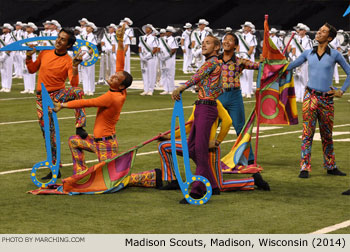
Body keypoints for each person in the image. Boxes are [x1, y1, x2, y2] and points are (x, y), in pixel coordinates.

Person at [53, 25, 133, 175]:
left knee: (111, 178)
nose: (113, 75)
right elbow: (120, 64)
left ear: (120, 84)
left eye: (116, 77)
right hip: (97, 141)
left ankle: (151, 177)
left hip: (105, 145)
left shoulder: (112, 97)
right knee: (73, 141)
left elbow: (86, 102)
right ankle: (80, 173)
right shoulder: (121, 89)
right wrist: (120, 40)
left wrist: (63, 105)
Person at [157, 99, 270, 194]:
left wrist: (217, 141)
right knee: (164, 145)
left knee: (218, 186)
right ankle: (172, 180)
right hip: (193, 144)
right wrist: (169, 137)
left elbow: (227, 121)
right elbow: (190, 126)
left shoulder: (214, 103)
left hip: (209, 149)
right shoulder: (198, 103)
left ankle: (253, 181)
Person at [286, 23, 350, 178]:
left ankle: (331, 166)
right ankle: (304, 167)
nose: (319, 33)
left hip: (327, 99)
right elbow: (290, 66)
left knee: (327, 135)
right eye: (319, 30)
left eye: (323, 32)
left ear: (329, 38)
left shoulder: (335, 54)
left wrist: (341, 90)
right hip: (310, 97)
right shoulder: (308, 53)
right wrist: (271, 62)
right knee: (307, 133)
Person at [26, 28, 88, 179]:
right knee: (49, 134)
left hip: (57, 95)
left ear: (68, 45)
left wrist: (74, 66)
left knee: (78, 92)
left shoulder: (68, 60)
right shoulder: (45, 53)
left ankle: (80, 126)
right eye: (58, 38)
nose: (58, 41)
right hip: (42, 98)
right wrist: (28, 58)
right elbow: (32, 69)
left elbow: (73, 84)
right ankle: (55, 168)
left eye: (62, 40)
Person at [172, 35, 223, 203]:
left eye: (207, 43)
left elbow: (196, 77)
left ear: (216, 48)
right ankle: (213, 185)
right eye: (203, 43)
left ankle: (197, 190)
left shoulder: (212, 63)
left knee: (200, 151)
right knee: (192, 148)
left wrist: (181, 87)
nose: (203, 45)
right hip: (202, 106)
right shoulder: (213, 63)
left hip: (206, 107)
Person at [218, 32, 260, 164]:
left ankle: (249, 158)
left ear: (236, 46)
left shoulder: (239, 61)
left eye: (230, 40)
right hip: (217, 96)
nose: (226, 42)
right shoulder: (214, 60)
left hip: (234, 96)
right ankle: (206, 156)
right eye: (225, 39)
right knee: (210, 127)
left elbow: (259, 66)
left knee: (240, 127)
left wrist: (264, 61)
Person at [291, 24, 313, 102]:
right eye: (298, 30)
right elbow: (293, 49)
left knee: (304, 79)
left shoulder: (308, 40)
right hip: (296, 60)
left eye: (300, 30)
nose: (299, 31)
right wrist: (293, 58)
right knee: (296, 78)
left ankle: (304, 96)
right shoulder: (295, 39)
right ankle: (297, 96)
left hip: (304, 62)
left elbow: (309, 52)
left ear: (305, 31)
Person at [237, 21, 256, 98]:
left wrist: (247, 56)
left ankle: (248, 92)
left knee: (249, 74)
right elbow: (238, 46)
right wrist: (237, 54)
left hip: (249, 56)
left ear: (249, 28)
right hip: (241, 56)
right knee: (242, 74)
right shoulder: (240, 36)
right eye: (244, 26)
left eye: (246, 26)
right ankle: (243, 91)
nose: (245, 28)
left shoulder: (252, 37)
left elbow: (252, 48)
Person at [139, 24, 158, 96]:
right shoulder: (141, 38)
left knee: (151, 74)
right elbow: (140, 47)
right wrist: (141, 56)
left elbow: (155, 49)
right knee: (144, 73)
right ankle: (145, 89)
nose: (146, 29)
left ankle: (151, 90)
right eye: (145, 28)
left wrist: (148, 56)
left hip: (151, 58)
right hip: (143, 58)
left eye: (148, 28)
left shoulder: (154, 38)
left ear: (150, 30)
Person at [159, 26, 178, 95]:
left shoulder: (173, 40)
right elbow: (159, 48)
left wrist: (167, 56)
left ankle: (171, 89)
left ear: (171, 33)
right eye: (166, 31)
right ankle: (165, 89)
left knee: (170, 74)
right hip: (162, 58)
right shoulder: (161, 39)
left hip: (170, 59)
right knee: (164, 73)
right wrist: (160, 56)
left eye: (167, 32)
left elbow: (174, 49)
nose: (166, 33)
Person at [81, 21, 98, 96]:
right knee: (84, 73)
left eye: (89, 27)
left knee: (90, 73)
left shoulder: (93, 36)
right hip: (82, 55)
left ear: (92, 29)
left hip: (90, 57)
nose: (87, 28)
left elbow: (93, 48)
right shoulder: (82, 35)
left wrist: (85, 56)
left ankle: (91, 90)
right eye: (86, 26)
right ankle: (85, 89)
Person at [21, 22, 37, 94]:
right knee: (25, 71)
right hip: (24, 54)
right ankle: (26, 88)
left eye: (28, 27)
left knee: (31, 72)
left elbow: (35, 45)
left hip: (31, 56)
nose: (27, 28)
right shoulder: (24, 36)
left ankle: (31, 88)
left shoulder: (34, 36)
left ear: (32, 29)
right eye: (27, 27)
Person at [0, 23, 15, 93]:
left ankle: (8, 87)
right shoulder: (1, 37)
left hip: (8, 55)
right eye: (3, 28)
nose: (3, 29)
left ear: (9, 29)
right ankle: (4, 86)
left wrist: (4, 55)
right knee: (2, 71)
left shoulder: (12, 37)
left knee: (8, 71)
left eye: (5, 28)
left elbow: (11, 47)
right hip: (1, 54)